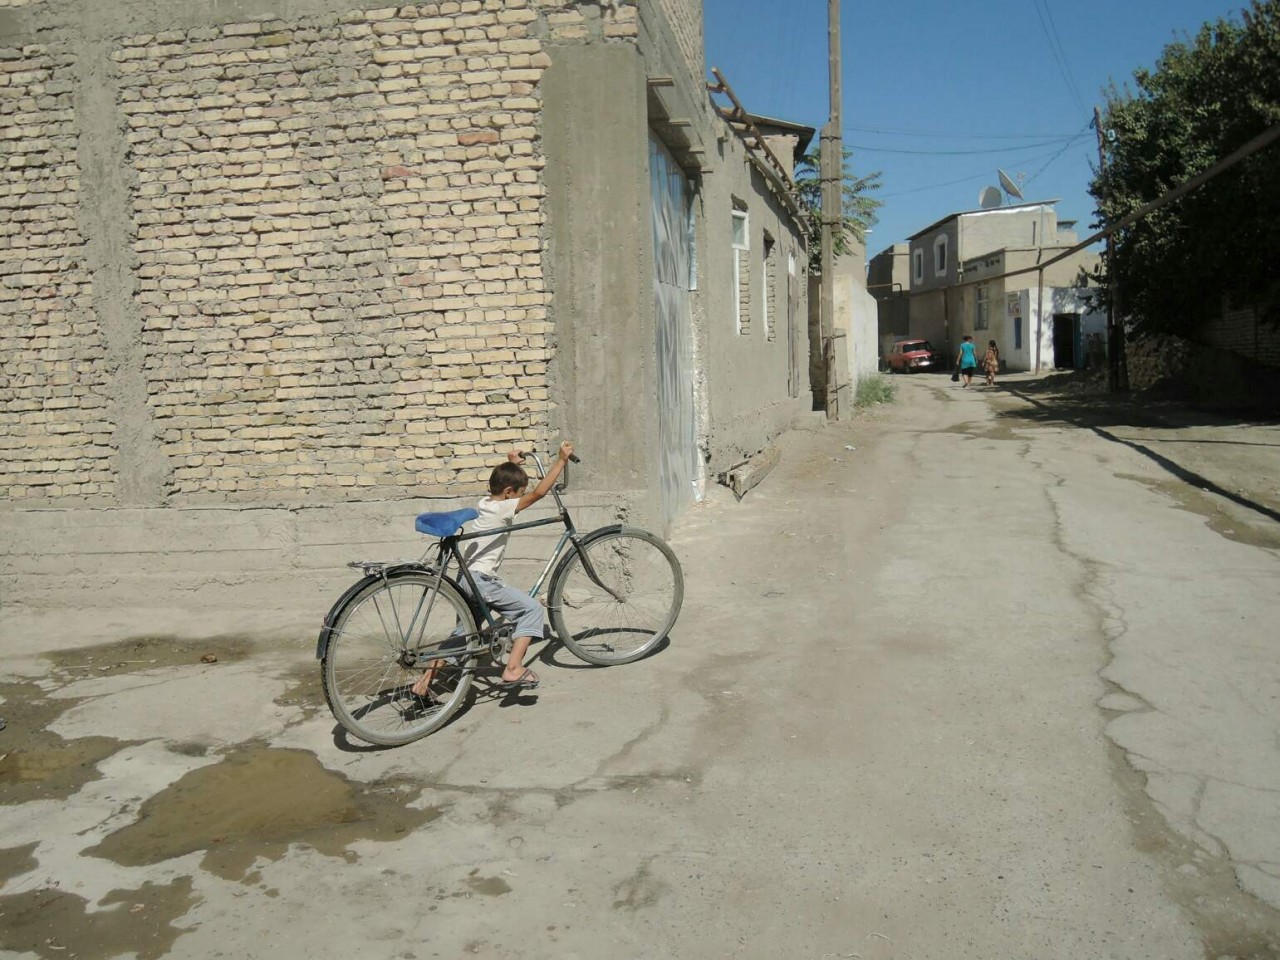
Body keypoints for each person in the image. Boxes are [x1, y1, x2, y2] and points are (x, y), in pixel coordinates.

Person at [412, 440, 575, 696]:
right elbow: (540, 493)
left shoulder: (485, 503)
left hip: (465, 579)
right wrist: (561, 461)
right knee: (531, 610)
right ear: (510, 492)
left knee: (465, 633)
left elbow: (508, 488)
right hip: (481, 581)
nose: (521, 497)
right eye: (519, 493)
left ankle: (423, 684)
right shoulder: (504, 508)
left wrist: (511, 464)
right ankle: (513, 669)